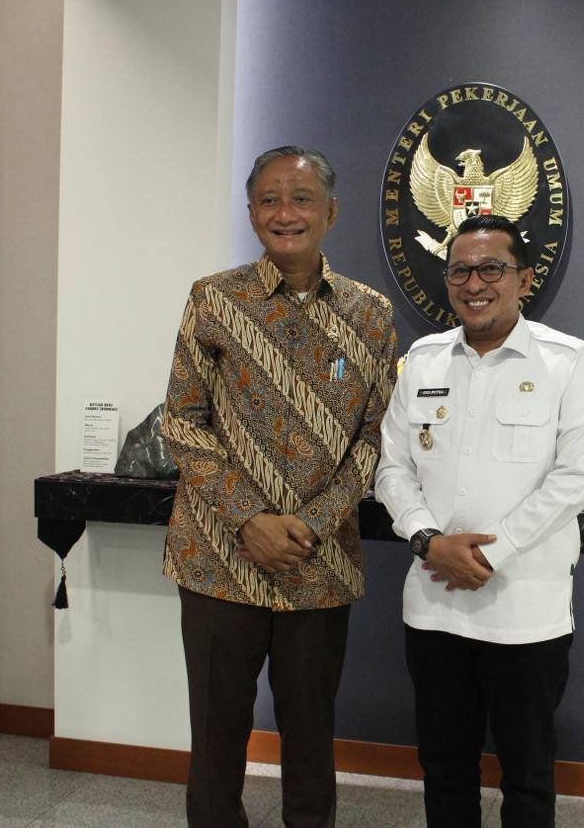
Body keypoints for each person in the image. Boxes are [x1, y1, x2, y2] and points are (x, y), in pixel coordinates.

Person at [160, 146, 397, 827]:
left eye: (300, 198)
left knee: (311, 736)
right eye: (269, 199)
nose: (284, 213)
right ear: (251, 212)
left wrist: (312, 525)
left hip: (318, 564)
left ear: (331, 212)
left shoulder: (370, 313)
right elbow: (182, 420)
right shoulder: (213, 298)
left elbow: (376, 439)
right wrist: (249, 518)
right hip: (217, 558)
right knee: (216, 738)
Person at [374, 213, 584, 827]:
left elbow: (577, 478)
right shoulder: (422, 361)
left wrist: (487, 553)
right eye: (460, 270)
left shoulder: (566, 361)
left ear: (523, 279)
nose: (474, 283)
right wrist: (429, 541)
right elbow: (392, 469)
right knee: (444, 768)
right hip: (434, 606)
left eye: (491, 268)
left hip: (524, 612)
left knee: (527, 776)